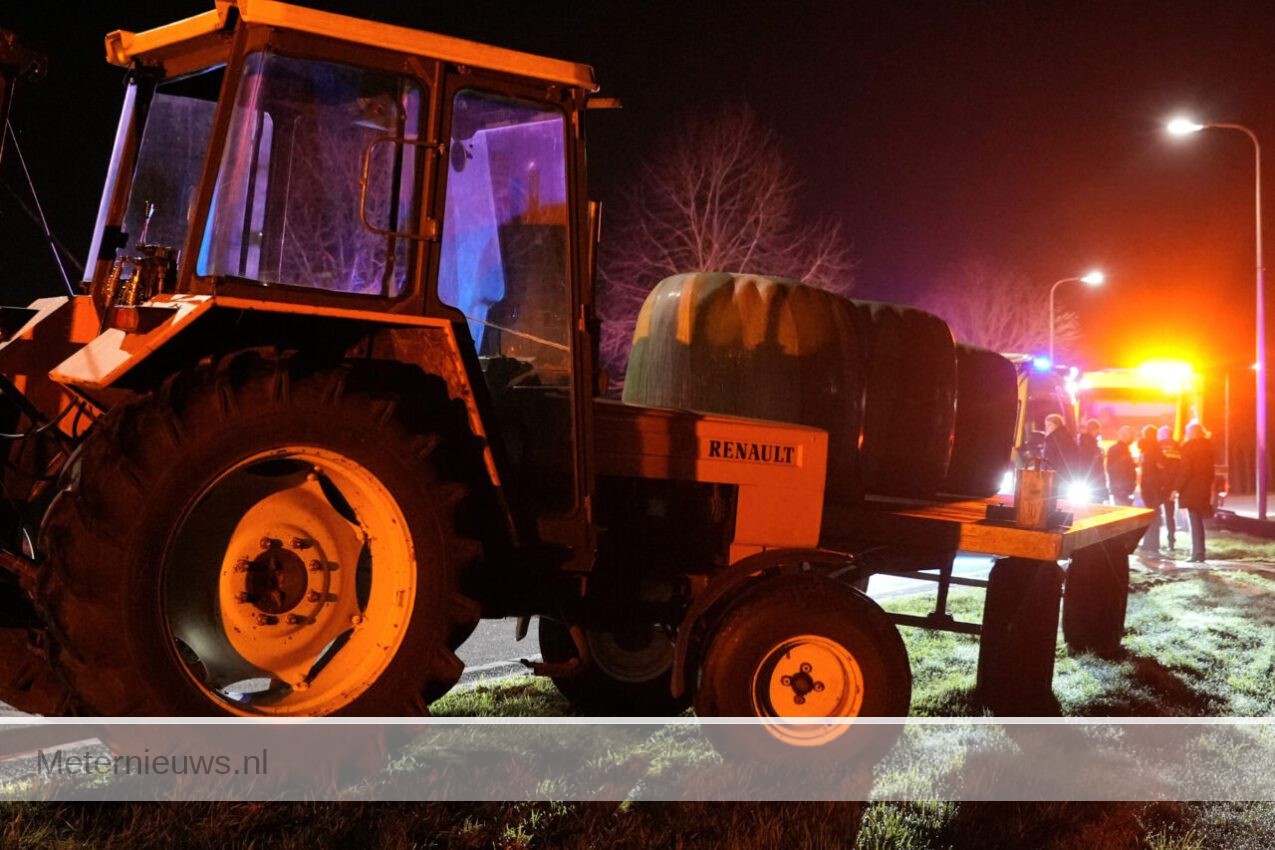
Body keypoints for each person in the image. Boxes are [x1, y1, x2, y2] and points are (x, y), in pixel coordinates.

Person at [1176, 421, 1215, 563]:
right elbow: (1211, 470)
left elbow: (1185, 470)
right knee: (1198, 521)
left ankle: (1196, 552)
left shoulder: (1188, 447)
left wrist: (1176, 488)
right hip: (1203, 488)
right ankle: (1200, 552)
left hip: (1191, 489)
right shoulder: (1208, 447)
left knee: (1194, 521)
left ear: (1191, 433)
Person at [1136, 425, 1164, 552]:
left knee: (1149, 516)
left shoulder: (1144, 449)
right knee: (1155, 516)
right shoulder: (1156, 449)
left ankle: (1149, 543)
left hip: (1146, 487)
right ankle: (1153, 544)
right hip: (1154, 487)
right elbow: (1161, 466)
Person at [1157, 425, 1182, 551]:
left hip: (1159, 486)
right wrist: (1175, 487)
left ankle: (1154, 542)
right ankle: (1171, 542)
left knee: (1155, 514)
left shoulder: (1159, 446)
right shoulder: (1178, 447)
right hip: (1171, 486)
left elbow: (1158, 465)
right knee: (1170, 515)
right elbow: (1180, 468)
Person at [1042, 413, 1078, 484]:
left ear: (1057, 425)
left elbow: (1048, 458)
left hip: (1055, 475)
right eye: (1046, 425)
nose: (1047, 428)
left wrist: (1044, 470)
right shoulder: (1069, 437)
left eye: (1049, 425)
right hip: (1069, 474)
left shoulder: (1052, 439)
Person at [1106, 426, 1137, 506]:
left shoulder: (1115, 449)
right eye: (1132, 435)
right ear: (1127, 436)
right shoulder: (1122, 450)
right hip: (1122, 490)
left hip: (1120, 489)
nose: (1133, 439)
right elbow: (1122, 470)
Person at [1076, 418, 1106, 500]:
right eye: (1098, 431)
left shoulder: (1083, 443)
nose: (1098, 433)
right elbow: (1096, 463)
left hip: (1086, 478)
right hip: (1093, 480)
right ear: (1095, 430)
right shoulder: (1091, 444)